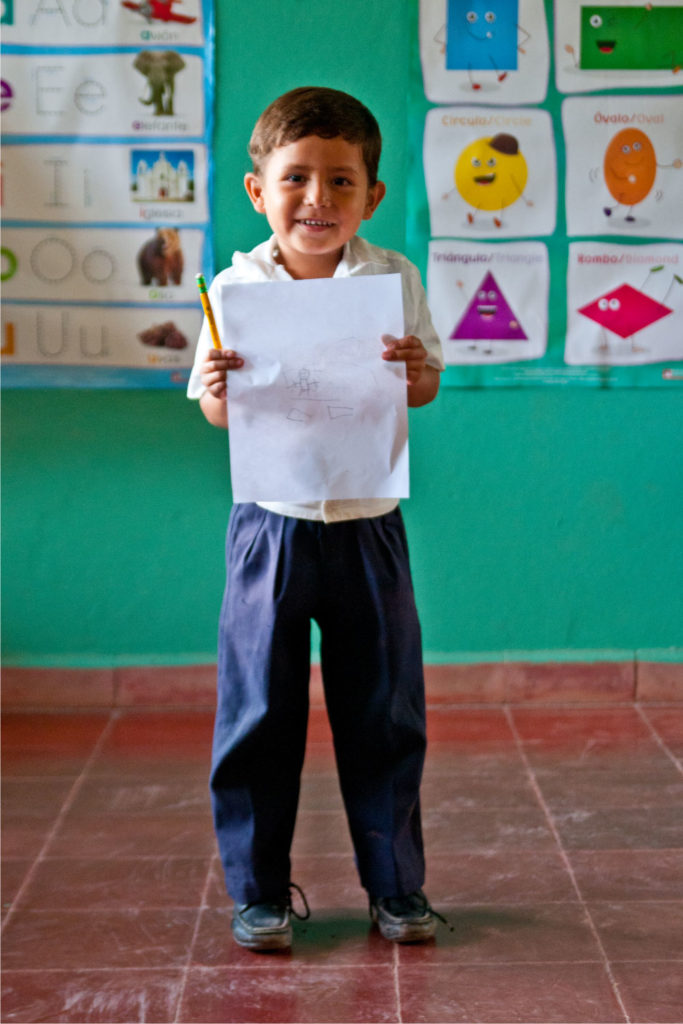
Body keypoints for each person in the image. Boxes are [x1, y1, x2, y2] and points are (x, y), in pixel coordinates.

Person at [187, 86, 445, 952]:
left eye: (342, 181)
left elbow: (424, 385)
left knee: (383, 708)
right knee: (259, 709)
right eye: (296, 178)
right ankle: (259, 892)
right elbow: (216, 413)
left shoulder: (392, 280)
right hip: (271, 526)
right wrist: (221, 391)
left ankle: (396, 888)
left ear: (371, 195)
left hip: (369, 521)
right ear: (259, 190)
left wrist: (411, 369)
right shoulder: (233, 286)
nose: (318, 199)